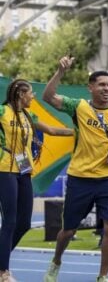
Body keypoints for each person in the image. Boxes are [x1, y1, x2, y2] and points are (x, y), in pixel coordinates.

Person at [42, 57, 108, 282]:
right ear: (91, 87)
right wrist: (60, 72)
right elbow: (47, 97)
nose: (107, 88)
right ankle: (56, 260)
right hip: (79, 178)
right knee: (67, 231)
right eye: (102, 84)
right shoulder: (78, 106)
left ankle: (102, 275)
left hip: (107, 179)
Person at [0, 79, 73, 282]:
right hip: (4, 169)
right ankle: (3, 272)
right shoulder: (2, 112)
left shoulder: (28, 115)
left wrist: (77, 132)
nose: (33, 96)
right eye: (30, 93)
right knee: (10, 221)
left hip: (24, 170)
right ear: (20, 95)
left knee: (24, 223)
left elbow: (51, 130)